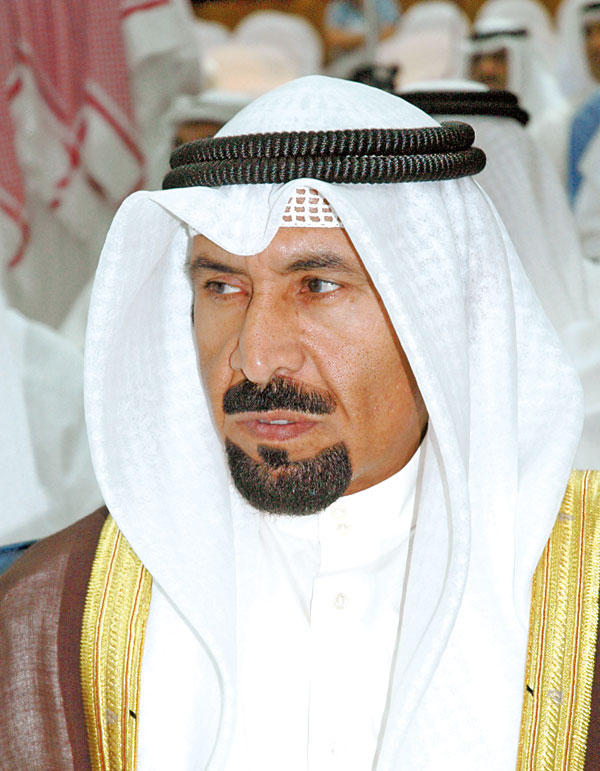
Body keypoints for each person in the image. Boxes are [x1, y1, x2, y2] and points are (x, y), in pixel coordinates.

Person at [1, 75, 599, 769]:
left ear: (438, 312)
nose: (256, 357)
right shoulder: (54, 614)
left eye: (318, 286)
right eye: (222, 287)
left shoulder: (580, 590)